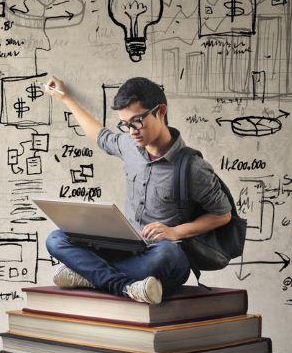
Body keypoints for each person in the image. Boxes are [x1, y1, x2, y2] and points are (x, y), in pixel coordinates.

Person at [42, 75, 232, 304]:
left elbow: (223, 214)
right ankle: (125, 287)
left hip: (159, 254)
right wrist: (66, 98)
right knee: (56, 238)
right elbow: (101, 136)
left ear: (160, 111)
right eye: (125, 124)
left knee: (168, 255)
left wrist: (175, 232)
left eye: (137, 121)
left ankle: (88, 274)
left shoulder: (193, 167)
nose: (132, 130)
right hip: (124, 248)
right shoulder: (129, 146)